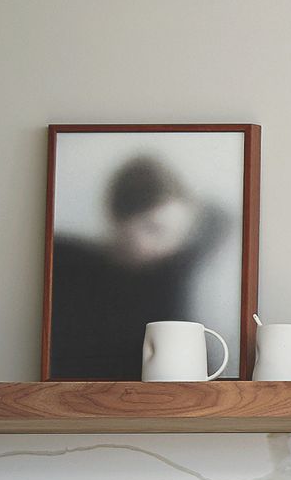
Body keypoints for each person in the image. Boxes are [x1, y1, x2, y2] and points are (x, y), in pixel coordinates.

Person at [48, 152, 232, 379]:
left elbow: (219, 217)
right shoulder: (68, 266)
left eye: (177, 234)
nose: (167, 246)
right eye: (154, 229)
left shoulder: (172, 270)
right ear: (119, 220)